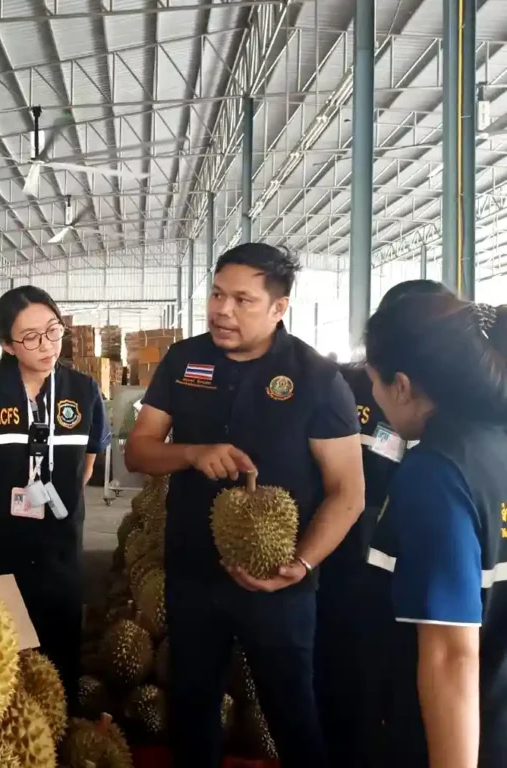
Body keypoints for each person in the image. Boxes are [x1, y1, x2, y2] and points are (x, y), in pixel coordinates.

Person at [124, 243, 364, 768]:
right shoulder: (183, 360)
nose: (222, 310)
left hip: (279, 582)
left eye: (241, 300)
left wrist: (300, 564)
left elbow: (348, 491)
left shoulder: (316, 378)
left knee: (292, 710)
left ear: (279, 308)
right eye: (216, 295)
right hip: (192, 570)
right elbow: (138, 451)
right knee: (192, 707)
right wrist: (191, 453)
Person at [362, 294, 507, 767]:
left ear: (402, 385)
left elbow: (450, 654)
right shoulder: (497, 446)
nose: (375, 397)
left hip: (458, 742)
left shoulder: (436, 474)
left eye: (375, 382)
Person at [315, 278, 452, 766]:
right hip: (345, 555)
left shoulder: (452, 411)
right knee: (345, 674)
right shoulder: (344, 384)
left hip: (410, 565)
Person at [0, 286, 111, 701]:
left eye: (53, 331)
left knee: (56, 657)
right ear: (8, 344)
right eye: (30, 337)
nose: (46, 345)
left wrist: (53, 498)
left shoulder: (83, 391)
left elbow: (86, 465)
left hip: (58, 543)